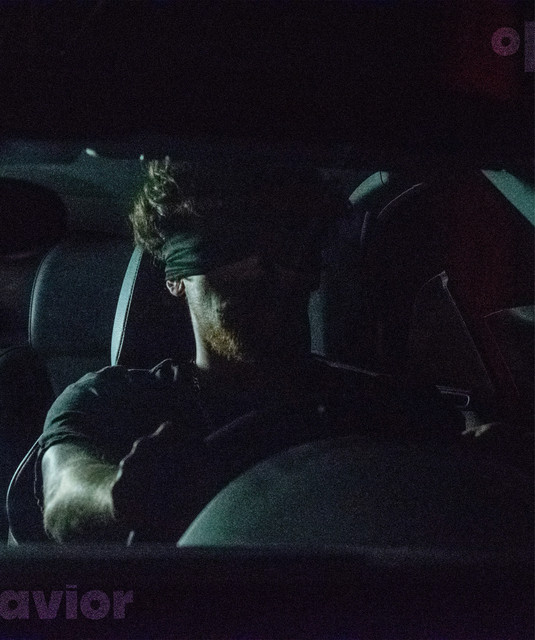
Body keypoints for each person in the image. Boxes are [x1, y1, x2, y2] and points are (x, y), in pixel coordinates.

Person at [38, 159, 464, 544]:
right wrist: (119, 493)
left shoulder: (382, 406)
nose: (261, 269)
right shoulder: (113, 401)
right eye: (227, 242)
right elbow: (64, 494)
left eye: (287, 241)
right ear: (175, 278)